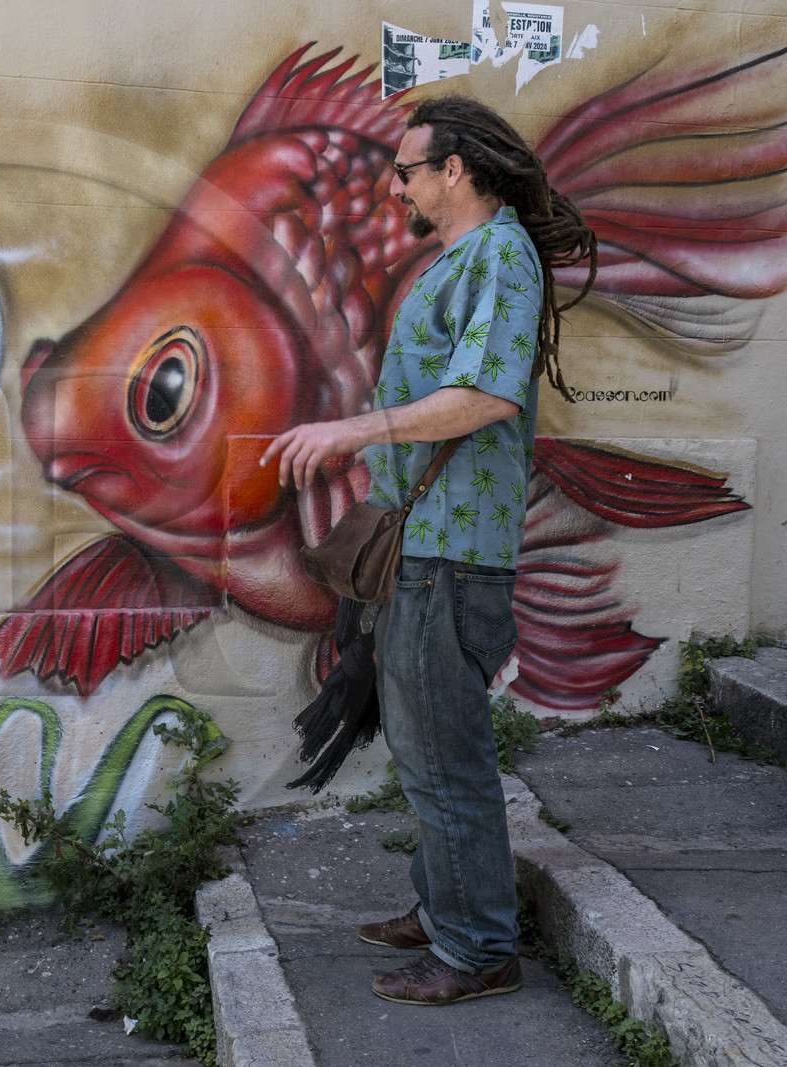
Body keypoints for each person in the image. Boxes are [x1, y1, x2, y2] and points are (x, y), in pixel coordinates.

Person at [261, 94, 596, 1005]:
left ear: (455, 171)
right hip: (423, 545)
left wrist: (354, 431)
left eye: (407, 170)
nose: (396, 186)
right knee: (423, 750)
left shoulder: (501, 257)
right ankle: (448, 903)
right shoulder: (462, 260)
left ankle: (479, 946)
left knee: (447, 755)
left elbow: (487, 395)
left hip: (453, 554)